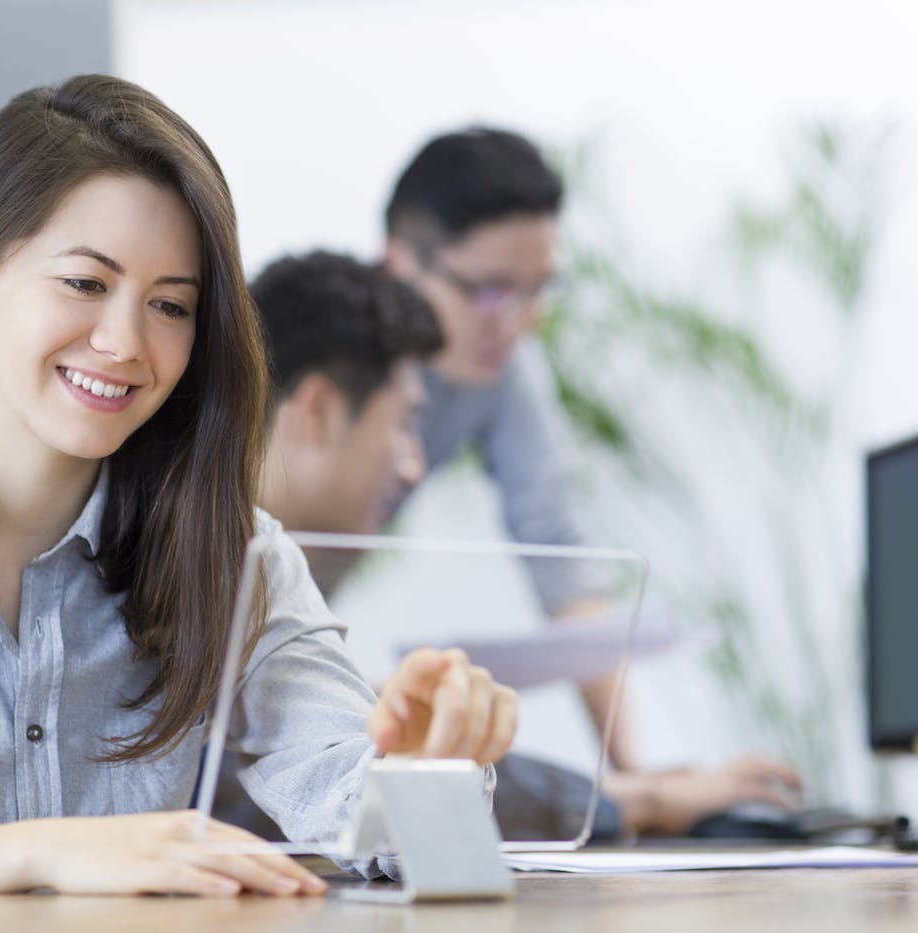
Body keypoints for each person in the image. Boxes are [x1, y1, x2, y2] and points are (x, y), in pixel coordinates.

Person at [0, 75, 517, 909]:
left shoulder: (236, 557)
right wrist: (47, 852)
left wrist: (419, 770)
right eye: (85, 283)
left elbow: (368, 818)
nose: (125, 342)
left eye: (170, 305)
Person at [248, 250, 803, 840]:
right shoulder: (207, 566)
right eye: (406, 423)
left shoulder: (274, 584)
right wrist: (637, 799)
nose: (415, 466)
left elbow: (342, 767)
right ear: (317, 411)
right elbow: (284, 790)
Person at [381, 128, 800, 809]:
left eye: (538, 289)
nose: (517, 321)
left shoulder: (501, 369)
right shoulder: (320, 357)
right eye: (489, 290)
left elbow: (558, 547)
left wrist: (627, 767)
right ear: (401, 262)